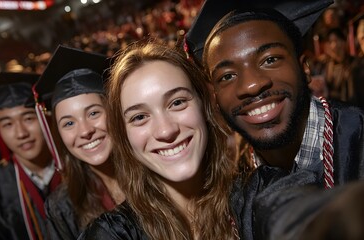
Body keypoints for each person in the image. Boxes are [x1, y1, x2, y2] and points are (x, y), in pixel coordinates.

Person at [184, 0, 364, 238]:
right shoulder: (234, 194)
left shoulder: (358, 140)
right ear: (215, 98)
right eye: (227, 75)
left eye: (269, 59)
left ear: (305, 68)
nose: (251, 84)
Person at [78, 40, 244, 240]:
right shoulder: (113, 234)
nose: (166, 131)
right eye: (139, 117)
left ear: (204, 106)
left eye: (177, 102)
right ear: (124, 136)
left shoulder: (257, 198)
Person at [33, 45, 124, 239]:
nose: (85, 131)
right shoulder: (62, 207)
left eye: (93, 113)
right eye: (68, 123)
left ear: (113, 111)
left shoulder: (157, 170)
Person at [0, 72, 62, 240]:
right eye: (7, 124)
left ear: (44, 116)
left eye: (28, 118)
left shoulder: (77, 167)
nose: (21, 133)